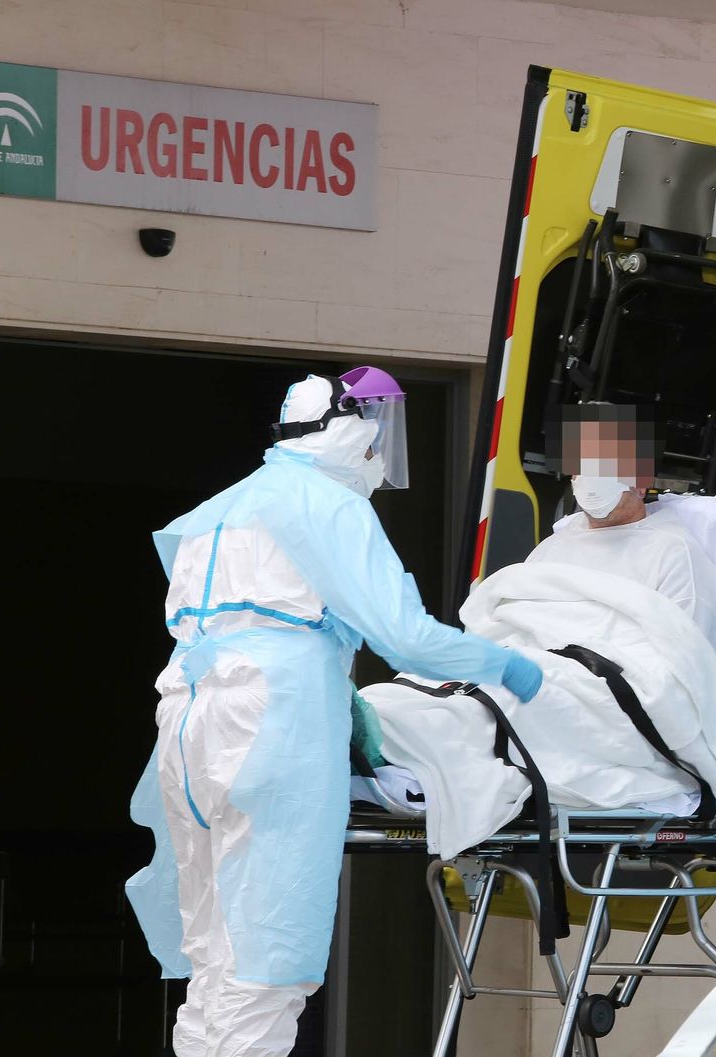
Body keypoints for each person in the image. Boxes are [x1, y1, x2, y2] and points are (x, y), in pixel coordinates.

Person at [126, 366, 543, 1057]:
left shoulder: (227, 506)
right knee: (266, 964)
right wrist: (505, 665)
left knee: (216, 959)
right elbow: (405, 636)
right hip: (274, 727)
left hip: (188, 724)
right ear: (347, 429)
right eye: (377, 431)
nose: (383, 451)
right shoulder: (331, 505)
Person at [528, 403, 716, 654]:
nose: (593, 476)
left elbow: (682, 664)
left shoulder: (673, 557)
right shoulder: (552, 548)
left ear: (641, 482)